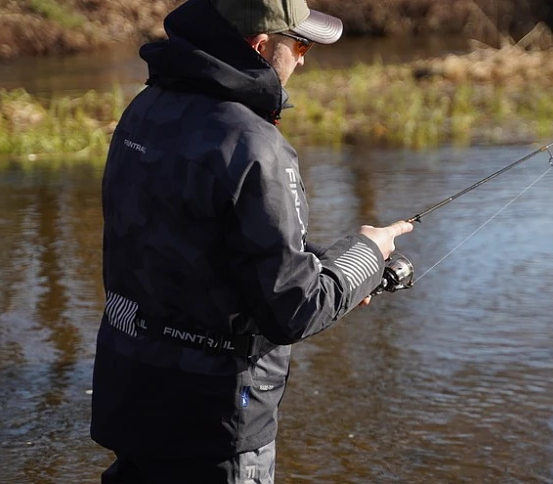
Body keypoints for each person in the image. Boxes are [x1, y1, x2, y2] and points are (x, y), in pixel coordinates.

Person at [90, 0, 414, 482]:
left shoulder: (144, 109)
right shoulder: (255, 145)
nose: (303, 60)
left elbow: (200, 248)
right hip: (216, 424)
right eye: (300, 46)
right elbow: (294, 308)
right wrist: (368, 253)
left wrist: (335, 268)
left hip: (130, 396)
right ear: (261, 47)